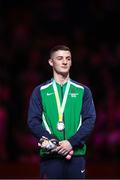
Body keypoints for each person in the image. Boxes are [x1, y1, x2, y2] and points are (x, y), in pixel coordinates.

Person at [27, 45, 96, 179]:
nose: (65, 62)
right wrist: (54, 142)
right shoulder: (39, 91)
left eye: (68, 58)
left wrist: (71, 142)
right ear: (51, 62)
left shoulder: (83, 91)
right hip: (50, 157)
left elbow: (90, 120)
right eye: (60, 58)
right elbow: (33, 122)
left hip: (76, 156)